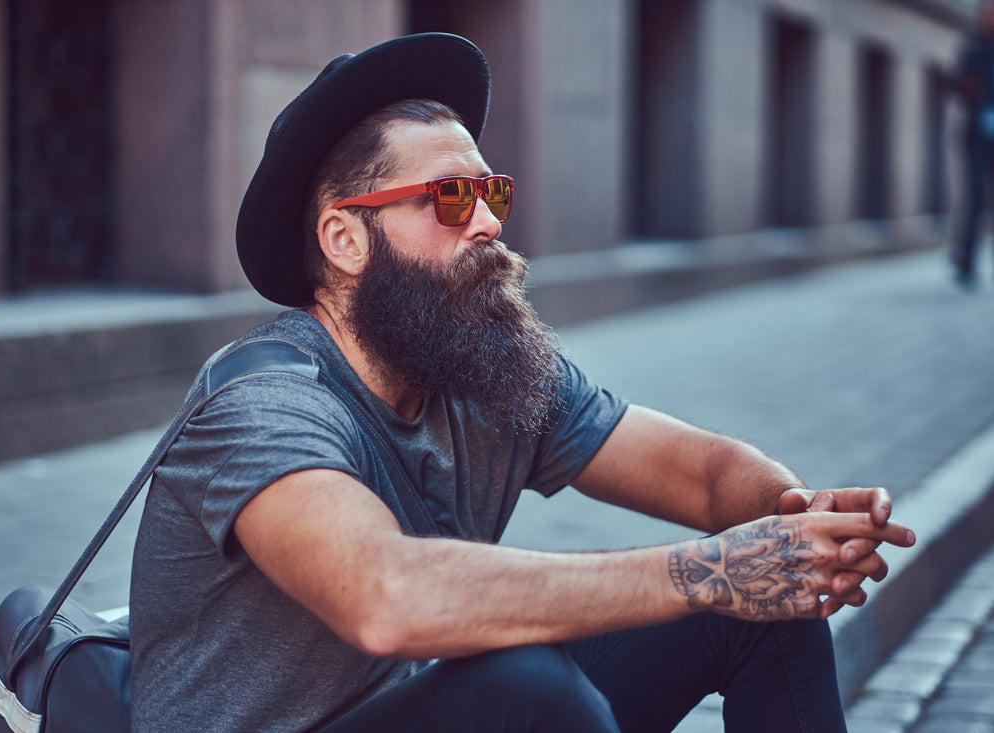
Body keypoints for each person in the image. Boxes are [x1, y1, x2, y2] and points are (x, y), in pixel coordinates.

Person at [129, 33, 915, 733]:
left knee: (761, 607)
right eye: (449, 197)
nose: (489, 222)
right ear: (344, 237)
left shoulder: (482, 371)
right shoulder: (263, 403)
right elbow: (385, 595)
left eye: (491, 192)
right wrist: (708, 572)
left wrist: (796, 519)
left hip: (415, 708)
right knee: (526, 688)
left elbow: (704, 474)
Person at [954, 0, 994, 287]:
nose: (987, 18)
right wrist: (971, 90)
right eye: (984, 13)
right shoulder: (972, 49)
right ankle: (966, 260)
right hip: (978, 133)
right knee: (975, 198)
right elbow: (955, 85)